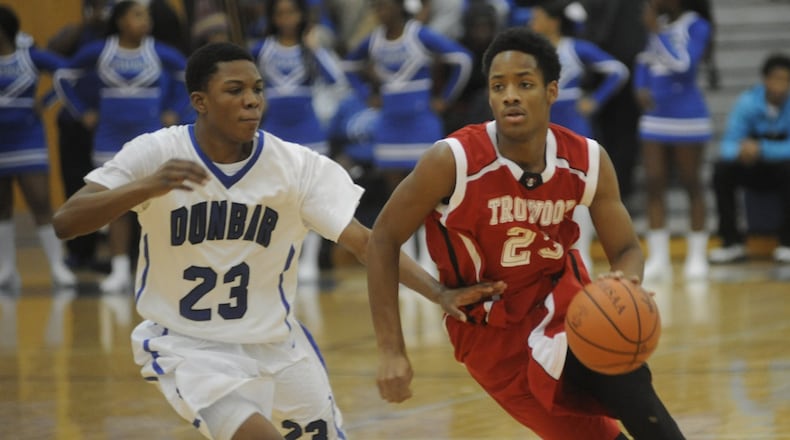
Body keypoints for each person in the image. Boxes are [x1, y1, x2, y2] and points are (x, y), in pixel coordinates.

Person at [52, 41, 501, 440]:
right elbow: (67, 221)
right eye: (235, 91)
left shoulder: (295, 167)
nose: (252, 101)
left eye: (258, 90)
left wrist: (438, 292)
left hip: (277, 346)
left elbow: (368, 244)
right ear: (199, 102)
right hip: (188, 346)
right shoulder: (154, 152)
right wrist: (145, 188)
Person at [366, 28, 686, 439]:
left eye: (525, 84)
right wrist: (392, 349)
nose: (510, 95)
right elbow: (382, 239)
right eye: (499, 86)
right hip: (493, 338)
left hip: (566, 309)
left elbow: (625, 248)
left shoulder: (587, 159)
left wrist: (625, 281)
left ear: (552, 91)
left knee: (634, 388)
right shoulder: (453, 161)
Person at [54, 0, 191, 293]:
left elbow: (189, 76)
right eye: (138, 15)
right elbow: (63, 76)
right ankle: (118, 269)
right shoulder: (101, 50)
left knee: (160, 203)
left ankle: (158, 267)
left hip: (151, 139)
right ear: (120, 21)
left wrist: (175, 110)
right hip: (110, 138)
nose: (146, 22)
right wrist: (82, 111)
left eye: (147, 17)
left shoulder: (160, 52)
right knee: (117, 204)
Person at [344, 0, 472, 271]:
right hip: (389, 124)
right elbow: (349, 66)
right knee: (397, 198)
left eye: (385, 6)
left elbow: (462, 60)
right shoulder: (373, 41)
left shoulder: (419, 34)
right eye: (376, 7)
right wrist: (367, 95)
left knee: (428, 193)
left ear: (401, 6)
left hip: (421, 122)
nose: (380, 11)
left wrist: (445, 98)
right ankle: (408, 262)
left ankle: (430, 256)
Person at [251, 0, 349, 282]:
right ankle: (280, 258)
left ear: (301, 16)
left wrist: (316, 47)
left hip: (309, 131)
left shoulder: (310, 49)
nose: (286, 18)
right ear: (273, 17)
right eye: (280, 13)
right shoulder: (261, 49)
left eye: (291, 12)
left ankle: (309, 261)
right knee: (274, 197)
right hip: (274, 130)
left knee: (311, 197)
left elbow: (337, 78)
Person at [529, 0, 629, 272]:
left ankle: (581, 253)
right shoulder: (532, 53)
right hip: (541, 126)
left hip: (573, 125)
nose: (532, 22)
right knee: (542, 188)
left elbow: (618, 70)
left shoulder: (575, 48)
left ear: (553, 21)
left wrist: (595, 100)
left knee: (579, 189)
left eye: (537, 16)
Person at [634, 0, 713, 280]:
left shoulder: (697, 25)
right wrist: (640, 86)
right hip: (656, 115)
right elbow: (645, 59)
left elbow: (684, 65)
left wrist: (656, 31)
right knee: (654, 182)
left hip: (687, 115)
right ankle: (659, 257)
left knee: (692, 183)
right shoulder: (659, 26)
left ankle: (696, 255)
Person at [0, 5, 76, 289]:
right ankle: (6, 269)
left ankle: (58, 266)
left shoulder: (29, 55)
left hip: (27, 139)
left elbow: (69, 73)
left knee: (40, 201)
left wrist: (45, 102)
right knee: (2, 206)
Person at [708, 53, 790, 264]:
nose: (781, 85)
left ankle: (787, 243)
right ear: (765, 79)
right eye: (777, 78)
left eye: (786, 79)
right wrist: (740, 152)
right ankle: (731, 243)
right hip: (751, 168)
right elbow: (727, 144)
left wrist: (762, 148)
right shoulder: (747, 103)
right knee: (721, 170)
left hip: (781, 171)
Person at [579, 0, 648, 200]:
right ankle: (606, 192)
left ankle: (619, 192)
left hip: (625, 65)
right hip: (601, 65)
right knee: (602, 136)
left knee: (623, 135)